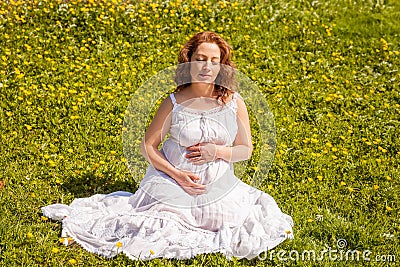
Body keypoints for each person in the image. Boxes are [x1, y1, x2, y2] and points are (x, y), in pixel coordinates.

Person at [42, 32, 294, 261]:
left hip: (216, 183)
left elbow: (245, 149)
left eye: (214, 60)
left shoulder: (233, 102)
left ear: (222, 66)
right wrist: (177, 175)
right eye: (200, 59)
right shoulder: (174, 102)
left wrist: (216, 152)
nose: (207, 66)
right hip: (171, 180)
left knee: (226, 219)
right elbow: (148, 146)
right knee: (159, 222)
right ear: (189, 62)